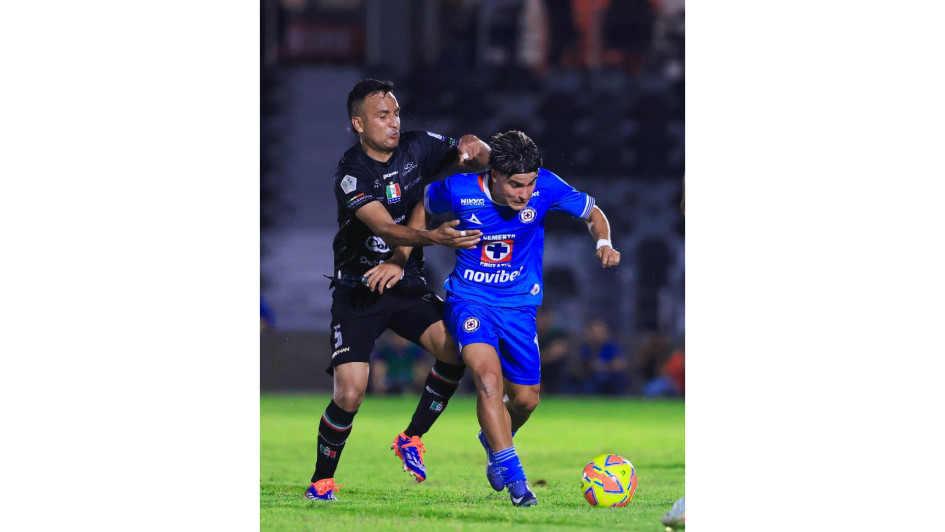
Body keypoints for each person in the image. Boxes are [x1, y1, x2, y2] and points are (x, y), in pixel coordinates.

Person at [305, 78, 491, 501]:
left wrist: (473, 147)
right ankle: (321, 480)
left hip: (404, 283)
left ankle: (412, 437)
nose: (393, 123)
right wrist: (437, 238)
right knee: (351, 392)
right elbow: (386, 227)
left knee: (457, 346)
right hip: (359, 289)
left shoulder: (418, 145)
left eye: (396, 114)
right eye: (382, 116)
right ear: (358, 123)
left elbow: (476, 153)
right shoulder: (351, 173)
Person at [424, 130, 621, 506]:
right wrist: (419, 241)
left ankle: (494, 438)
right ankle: (516, 480)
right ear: (494, 174)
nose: (524, 194)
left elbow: (593, 213)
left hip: (519, 308)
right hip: (470, 299)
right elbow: (423, 201)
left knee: (527, 401)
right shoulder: (459, 189)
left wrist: (604, 242)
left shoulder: (546, 186)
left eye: (530, 184)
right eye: (516, 185)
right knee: (487, 378)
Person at [575, 318, 628, 395]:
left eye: (599, 333)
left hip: (610, 378)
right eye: (592, 333)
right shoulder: (585, 348)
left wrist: (602, 366)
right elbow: (579, 367)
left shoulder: (612, 347)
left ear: (605, 333)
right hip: (591, 379)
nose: (595, 336)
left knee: (618, 379)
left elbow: (620, 365)